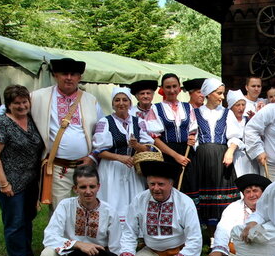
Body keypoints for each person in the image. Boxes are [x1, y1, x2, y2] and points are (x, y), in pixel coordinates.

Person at [0, 58, 102, 210]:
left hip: (86, 166)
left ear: (80, 77)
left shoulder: (91, 100)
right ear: (55, 75)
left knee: (88, 205)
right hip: (58, 167)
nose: (69, 78)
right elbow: (9, 106)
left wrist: (92, 157)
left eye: (73, 74)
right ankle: (59, 235)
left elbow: (101, 131)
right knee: (60, 210)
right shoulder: (38, 97)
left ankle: (84, 233)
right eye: (64, 74)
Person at [119, 161, 202, 256]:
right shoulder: (139, 200)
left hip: (177, 252)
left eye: (161, 184)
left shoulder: (185, 203)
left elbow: (195, 237)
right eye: (152, 184)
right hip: (151, 252)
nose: (156, 188)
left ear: (171, 184)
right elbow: (129, 232)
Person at [0, 85, 43, 256]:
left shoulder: (33, 120)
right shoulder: (2, 123)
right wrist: (3, 183)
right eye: (16, 103)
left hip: (30, 180)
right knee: (14, 221)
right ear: (8, 105)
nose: (21, 106)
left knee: (27, 218)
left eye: (24, 102)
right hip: (9, 179)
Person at [92, 87, 155, 225]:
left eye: (125, 100)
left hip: (132, 169)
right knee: (113, 200)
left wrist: (136, 146)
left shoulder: (138, 122)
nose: (121, 103)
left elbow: (148, 147)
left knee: (134, 200)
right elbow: (99, 150)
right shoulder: (105, 122)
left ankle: (133, 236)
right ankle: (111, 234)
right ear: (113, 104)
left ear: (130, 103)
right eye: (117, 100)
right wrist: (120, 158)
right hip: (111, 169)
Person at [194, 78, 243, 226]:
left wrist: (230, 151)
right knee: (203, 193)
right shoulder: (195, 112)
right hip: (202, 158)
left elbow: (235, 136)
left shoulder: (227, 113)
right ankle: (206, 233)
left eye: (223, 94)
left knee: (222, 194)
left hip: (222, 156)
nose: (222, 97)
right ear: (208, 94)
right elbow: (193, 137)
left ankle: (224, 230)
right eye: (219, 93)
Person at [152, 73, 199, 201]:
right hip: (167, 154)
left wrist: (191, 138)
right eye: (168, 87)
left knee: (187, 186)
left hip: (186, 152)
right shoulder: (156, 108)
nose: (172, 90)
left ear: (179, 88)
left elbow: (193, 130)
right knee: (169, 187)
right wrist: (175, 156)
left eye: (174, 86)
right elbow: (154, 138)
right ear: (162, 89)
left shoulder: (187, 106)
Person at [227, 89, 258, 177]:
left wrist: (254, 120)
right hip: (235, 157)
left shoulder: (247, 119)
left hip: (249, 158)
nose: (241, 108)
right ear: (231, 106)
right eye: (237, 105)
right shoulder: (227, 120)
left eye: (243, 104)